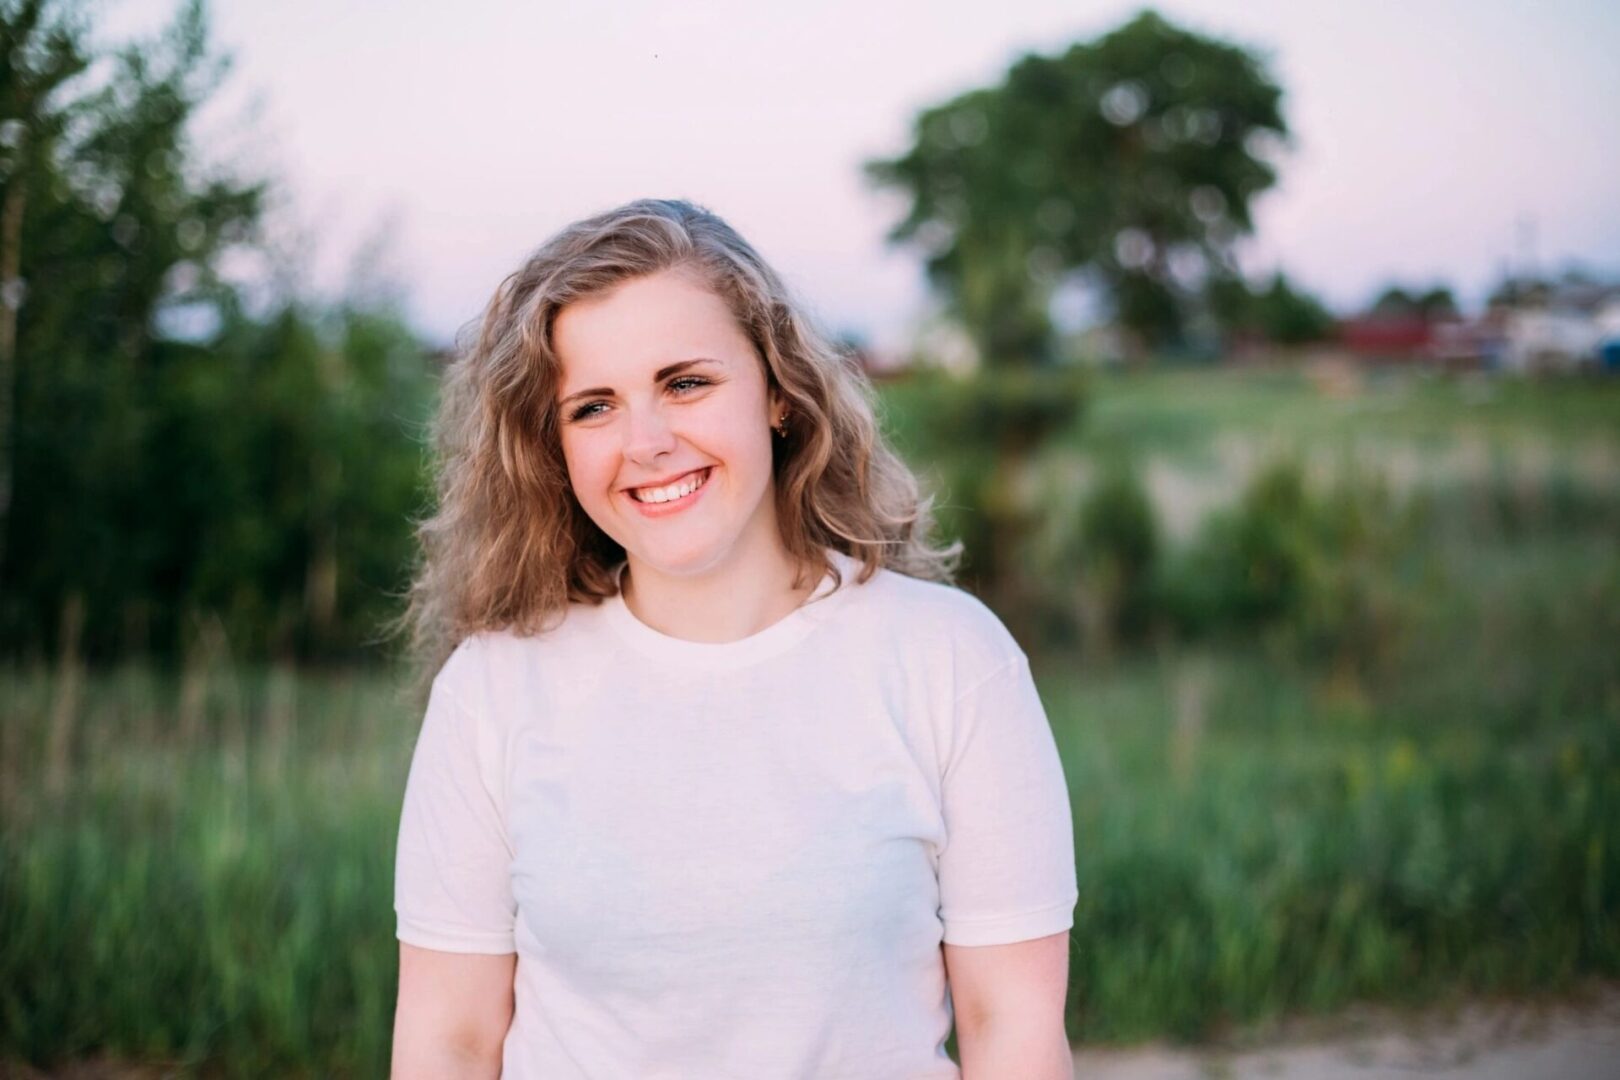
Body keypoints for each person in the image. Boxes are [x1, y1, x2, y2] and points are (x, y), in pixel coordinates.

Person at [386, 197, 1078, 1079]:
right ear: (552, 446)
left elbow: (1011, 1029)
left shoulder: (951, 660)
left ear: (779, 392)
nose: (646, 442)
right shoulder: (493, 689)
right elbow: (450, 1041)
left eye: (686, 383)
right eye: (593, 406)